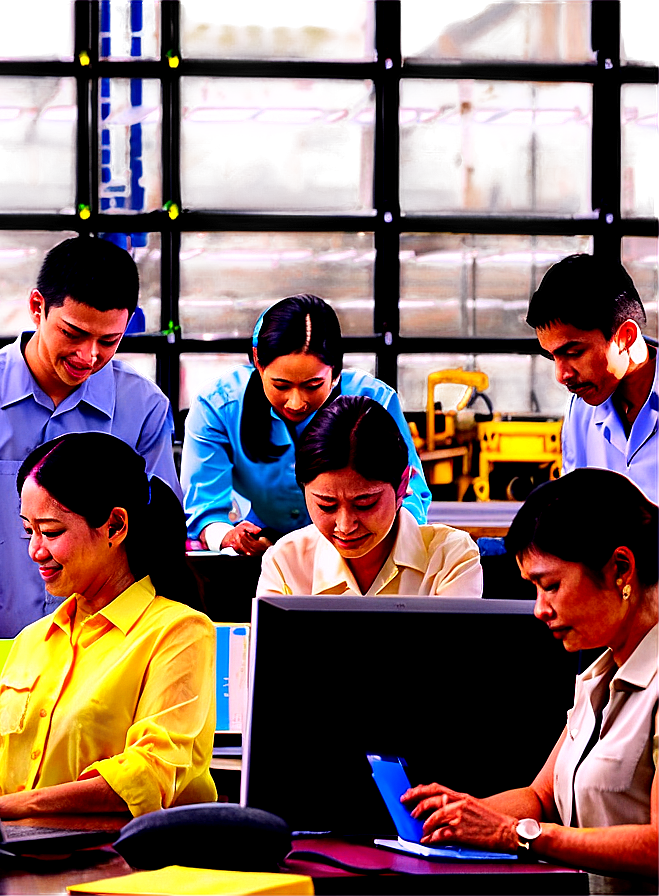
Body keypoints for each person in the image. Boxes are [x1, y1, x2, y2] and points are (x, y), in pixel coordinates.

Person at [0, 236, 181, 643]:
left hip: (100, 653)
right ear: (37, 308)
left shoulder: (143, 406)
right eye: (73, 333)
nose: (88, 355)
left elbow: (155, 536)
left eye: (109, 341)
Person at [402, 469, 657, 893]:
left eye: (551, 586)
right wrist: (458, 819)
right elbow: (541, 799)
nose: (540, 609)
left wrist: (516, 835)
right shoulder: (599, 678)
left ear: (621, 568)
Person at [0, 432, 217, 818]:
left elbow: (150, 773)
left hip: (121, 866)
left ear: (114, 526)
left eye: (52, 532)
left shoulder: (179, 632)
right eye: (29, 531)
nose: (35, 551)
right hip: (18, 850)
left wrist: (18, 807)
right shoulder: (32, 640)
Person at [181, 294, 431, 557]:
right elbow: (203, 510)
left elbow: (410, 495)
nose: (296, 403)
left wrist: (385, 543)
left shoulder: (374, 402)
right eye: (281, 386)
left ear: (335, 371)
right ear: (257, 361)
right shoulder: (218, 406)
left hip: (357, 552)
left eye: (312, 386)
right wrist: (229, 537)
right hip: (259, 553)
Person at [257, 396, 481, 597]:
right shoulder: (286, 562)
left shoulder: (448, 558)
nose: (345, 526)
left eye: (365, 504)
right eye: (326, 505)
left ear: (403, 485)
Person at [527, 253, 657, 502]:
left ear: (625, 337)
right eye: (552, 357)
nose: (562, 375)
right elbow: (574, 509)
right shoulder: (581, 407)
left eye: (574, 353)